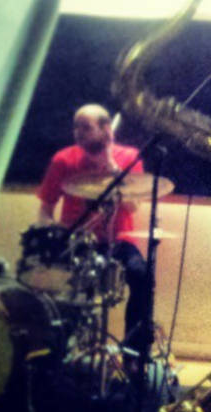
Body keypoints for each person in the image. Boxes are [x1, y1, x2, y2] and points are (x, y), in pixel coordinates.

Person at [36, 103, 150, 357]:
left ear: (106, 129)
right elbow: (45, 210)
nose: (78, 132)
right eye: (76, 127)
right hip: (78, 242)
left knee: (142, 276)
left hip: (119, 241)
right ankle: (59, 353)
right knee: (67, 291)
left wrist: (111, 166)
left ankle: (133, 354)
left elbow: (132, 207)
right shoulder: (63, 159)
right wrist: (55, 234)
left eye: (86, 127)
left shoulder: (129, 157)